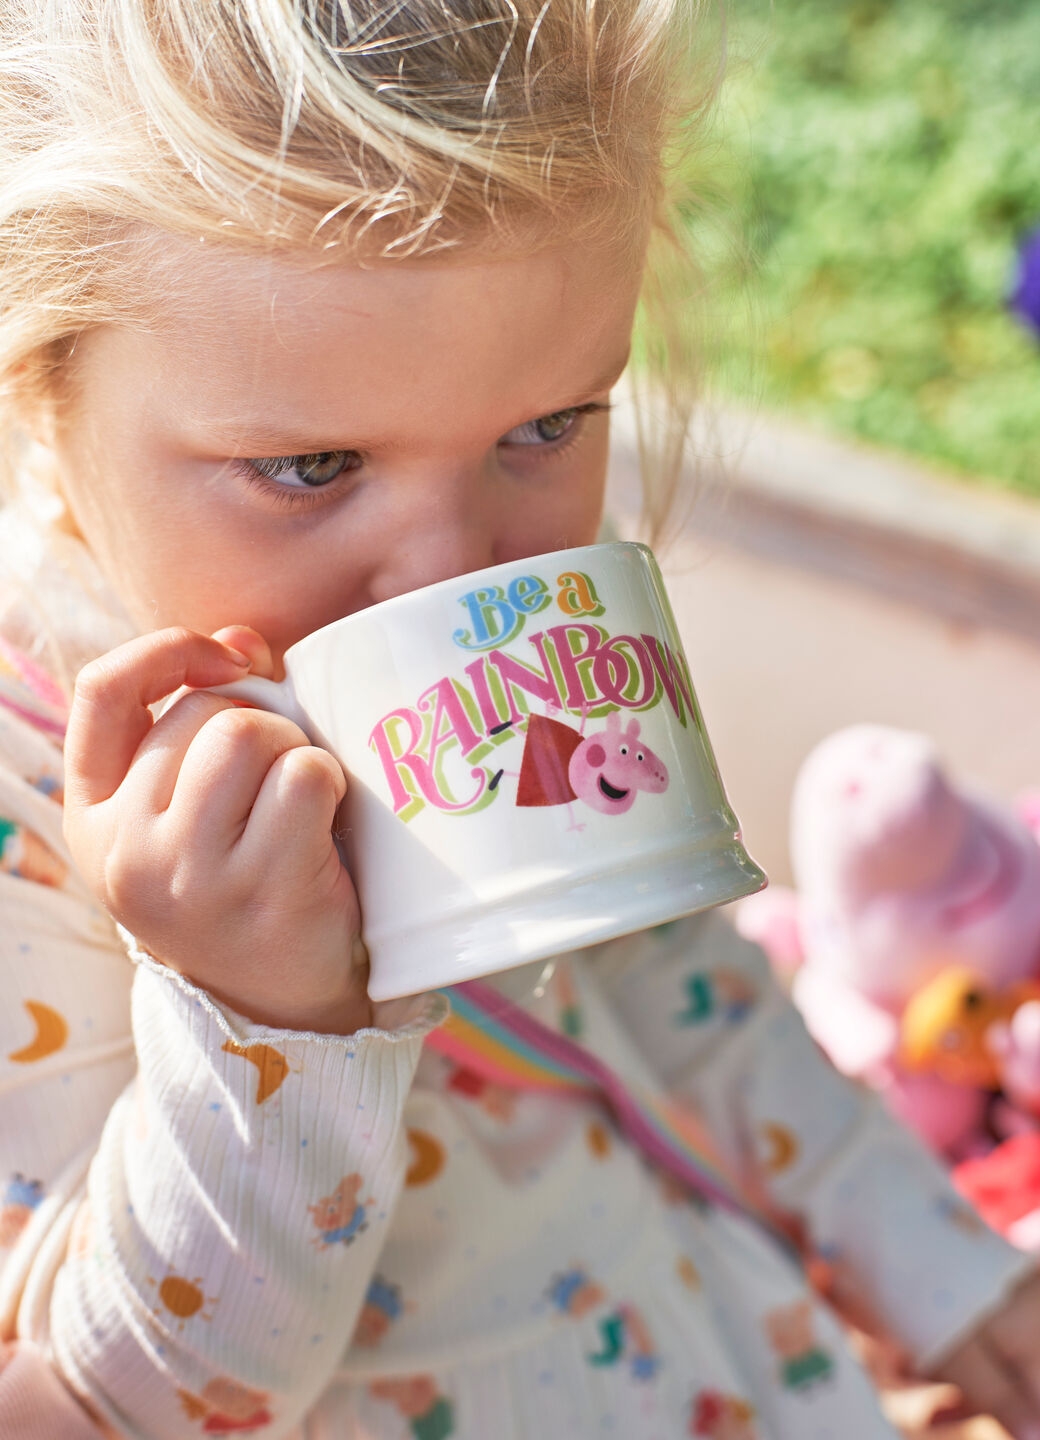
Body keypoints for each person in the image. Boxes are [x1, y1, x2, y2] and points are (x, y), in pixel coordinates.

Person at [0, 3, 1039, 1437]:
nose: (459, 574)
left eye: (544, 430)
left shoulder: (531, 622)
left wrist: (941, 1272)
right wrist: (264, 1026)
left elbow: (691, 994)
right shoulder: (26, 802)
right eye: (312, 466)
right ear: (41, 408)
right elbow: (101, 1408)